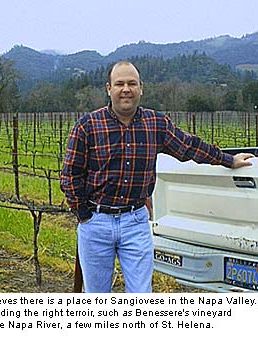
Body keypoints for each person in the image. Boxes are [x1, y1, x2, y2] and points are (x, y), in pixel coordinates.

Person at [60, 60, 254, 293]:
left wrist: (228, 159)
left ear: (141, 87)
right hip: (96, 221)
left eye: (132, 83)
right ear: (108, 88)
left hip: (135, 222)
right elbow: (70, 175)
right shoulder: (87, 126)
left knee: (142, 294)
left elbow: (188, 146)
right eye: (119, 83)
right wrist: (84, 215)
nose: (126, 89)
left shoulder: (156, 123)